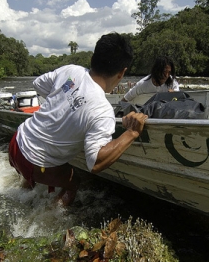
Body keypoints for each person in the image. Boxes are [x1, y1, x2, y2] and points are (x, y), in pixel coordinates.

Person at [8, 32, 148, 206]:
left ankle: (23, 194)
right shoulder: (102, 110)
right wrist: (132, 133)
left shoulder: (71, 70)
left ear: (93, 58)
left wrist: (62, 104)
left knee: (34, 165)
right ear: (122, 73)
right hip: (35, 162)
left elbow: (38, 84)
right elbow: (95, 163)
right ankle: (47, 220)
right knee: (74, 183)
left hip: (16, 143)